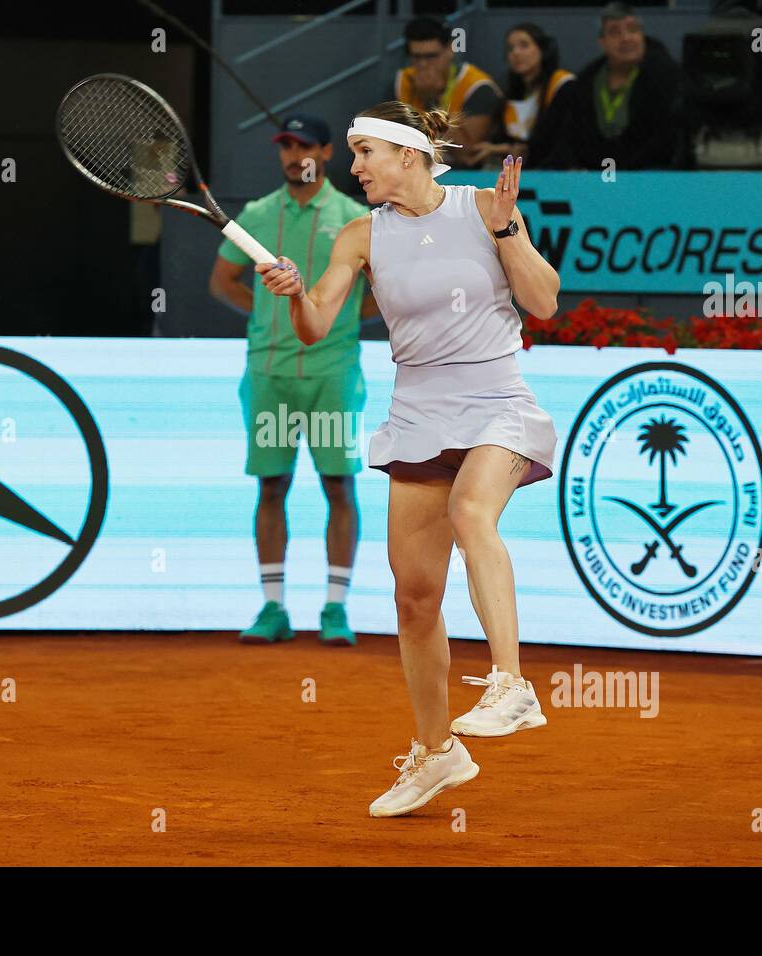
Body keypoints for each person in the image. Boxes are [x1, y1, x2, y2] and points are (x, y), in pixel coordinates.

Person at [255, 102, 561, 818]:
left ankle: (511, 686)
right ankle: (437, 752)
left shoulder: (486, 206)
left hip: (496, 403)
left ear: (409, 155)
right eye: (353, 152)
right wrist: (297, 293)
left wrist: (508, 229)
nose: (352, 166)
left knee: (471, 510)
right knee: (414, 598)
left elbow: (543, 303)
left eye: (365, 152)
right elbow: (315, 327)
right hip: (419, 417)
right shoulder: (358, 236)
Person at [209, 113, 376, 647]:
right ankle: (274, 608)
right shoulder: (256, 215)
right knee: (272, 486)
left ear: (327, 152)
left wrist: (341, 319)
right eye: (285, 145)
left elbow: (384, 290)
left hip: (333, 374)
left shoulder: (355, 219)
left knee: (337, 486)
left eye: (303, 145)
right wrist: (265, 319)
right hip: (270, 374)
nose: (292, 155)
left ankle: (334, 609)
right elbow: (222, 281)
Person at [552, 3, 684, 170]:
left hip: (652, 175)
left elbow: (667, 139)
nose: (626, 38)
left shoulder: (668, 77)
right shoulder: (586, 81)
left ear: (642, 35)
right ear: (602, 42)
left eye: (632, 29)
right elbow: (575, 136)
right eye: (615, 32)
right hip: (596, 173)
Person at [390, 17, 502, 170]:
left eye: (431, 56)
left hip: (463, 175)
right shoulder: (401, 82)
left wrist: (432, 100)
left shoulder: (477, 86)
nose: (423, 65)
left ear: (450, 50)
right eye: (416, 57)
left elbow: (467, 155)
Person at [467, 22, 576, 169]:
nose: (516, 53)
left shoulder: (562, 85)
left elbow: (554, 141)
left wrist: (503, 149)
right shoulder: (509, 94)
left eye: (524, 45)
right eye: (510, 48)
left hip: (556, 173)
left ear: (543, 50)